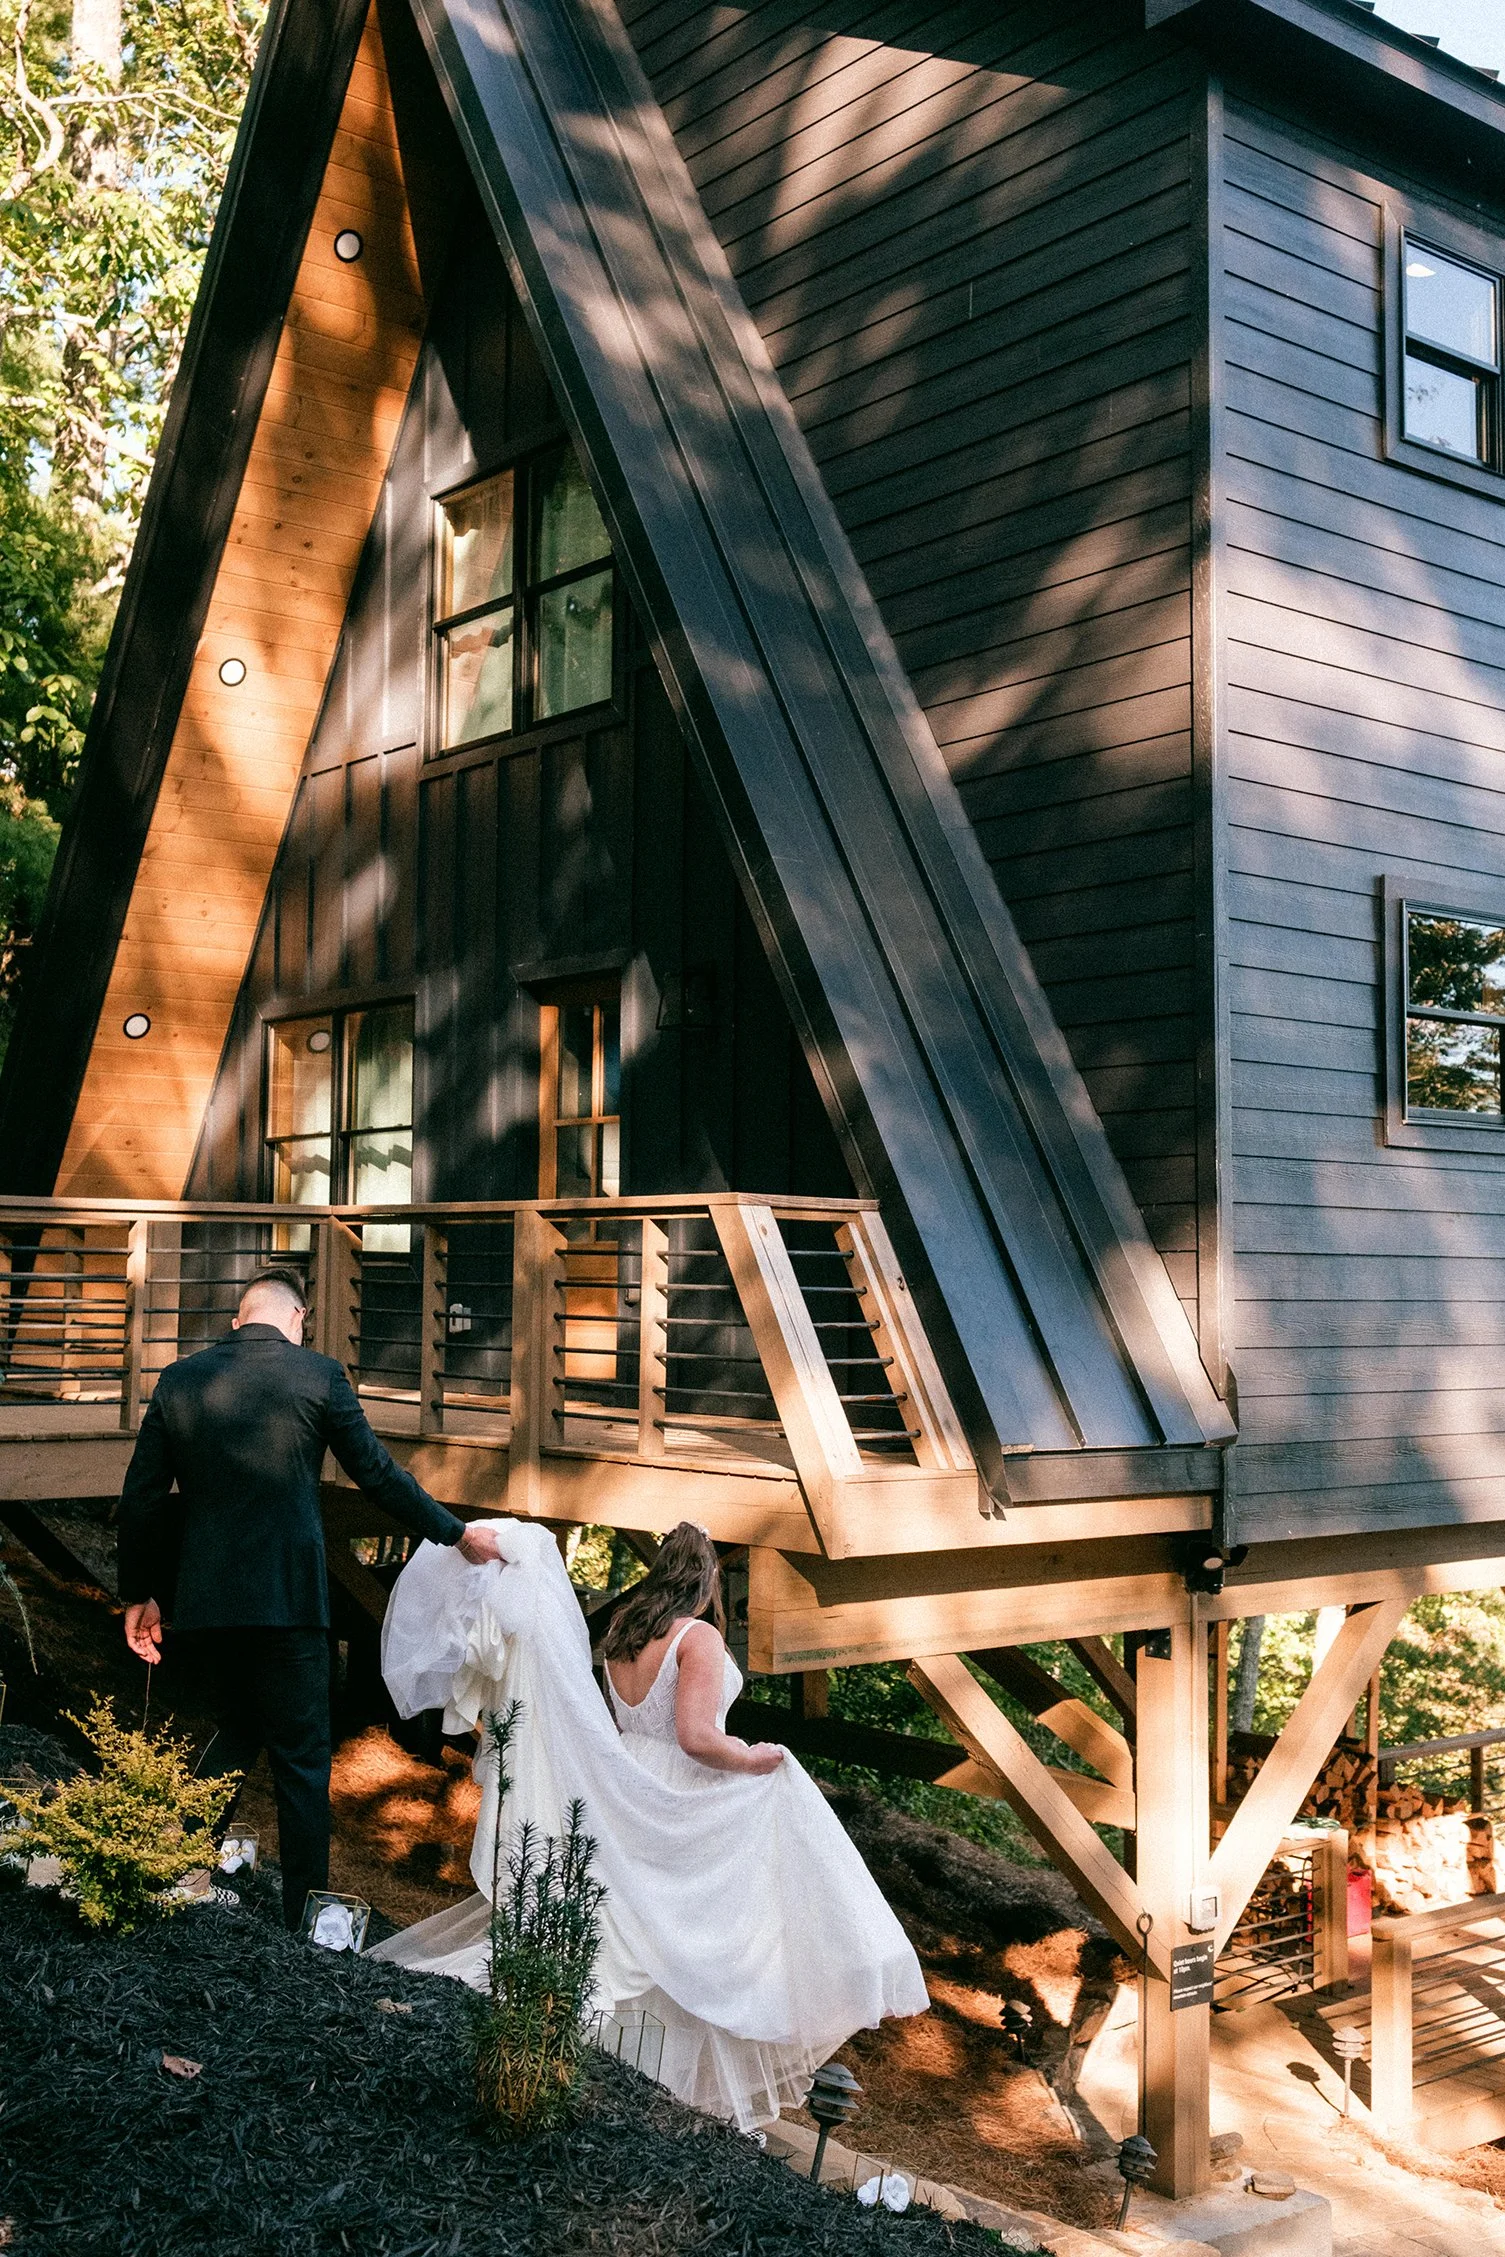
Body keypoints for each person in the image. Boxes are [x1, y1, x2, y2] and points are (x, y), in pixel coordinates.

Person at [371, 1518, 928, 2128]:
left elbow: (626, 1725)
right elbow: (695, 1738)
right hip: (678, 1791)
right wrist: (755, 1758)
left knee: (632, 1922)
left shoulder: (622, 1632)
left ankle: (626, 2072)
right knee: (682, 1936)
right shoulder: (700, 1639)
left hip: (630, 1775)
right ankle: (658, 2085)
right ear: (709, 1576)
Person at [117, 1266, 503, 1927]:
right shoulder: (319, 1376)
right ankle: (306, 1919)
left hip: (206, 1605)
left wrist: (140, 1593)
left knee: (235, 1730)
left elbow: (141, 1498)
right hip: (290, 1602)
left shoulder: (180, 1378)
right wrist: (454, 1530)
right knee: (300, 1758)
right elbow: (377, 1474)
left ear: (240, 1318)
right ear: (297, 1320)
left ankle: (174, 1871)